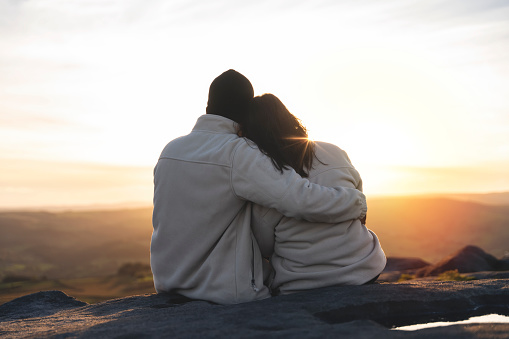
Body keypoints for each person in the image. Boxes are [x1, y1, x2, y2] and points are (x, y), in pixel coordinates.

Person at [150, 70, 368, 304]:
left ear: (207, 105)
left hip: (168, 281)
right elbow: (301, 199)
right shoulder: (240, 153)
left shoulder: (170, 150)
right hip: (220, 289)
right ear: (246, 111)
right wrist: (356, 201)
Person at [241, 94, 386, 295]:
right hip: (364, 269)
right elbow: (360, 210)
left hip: (302, 282)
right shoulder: (334, 152)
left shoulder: (268, 180)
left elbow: (264, 245)